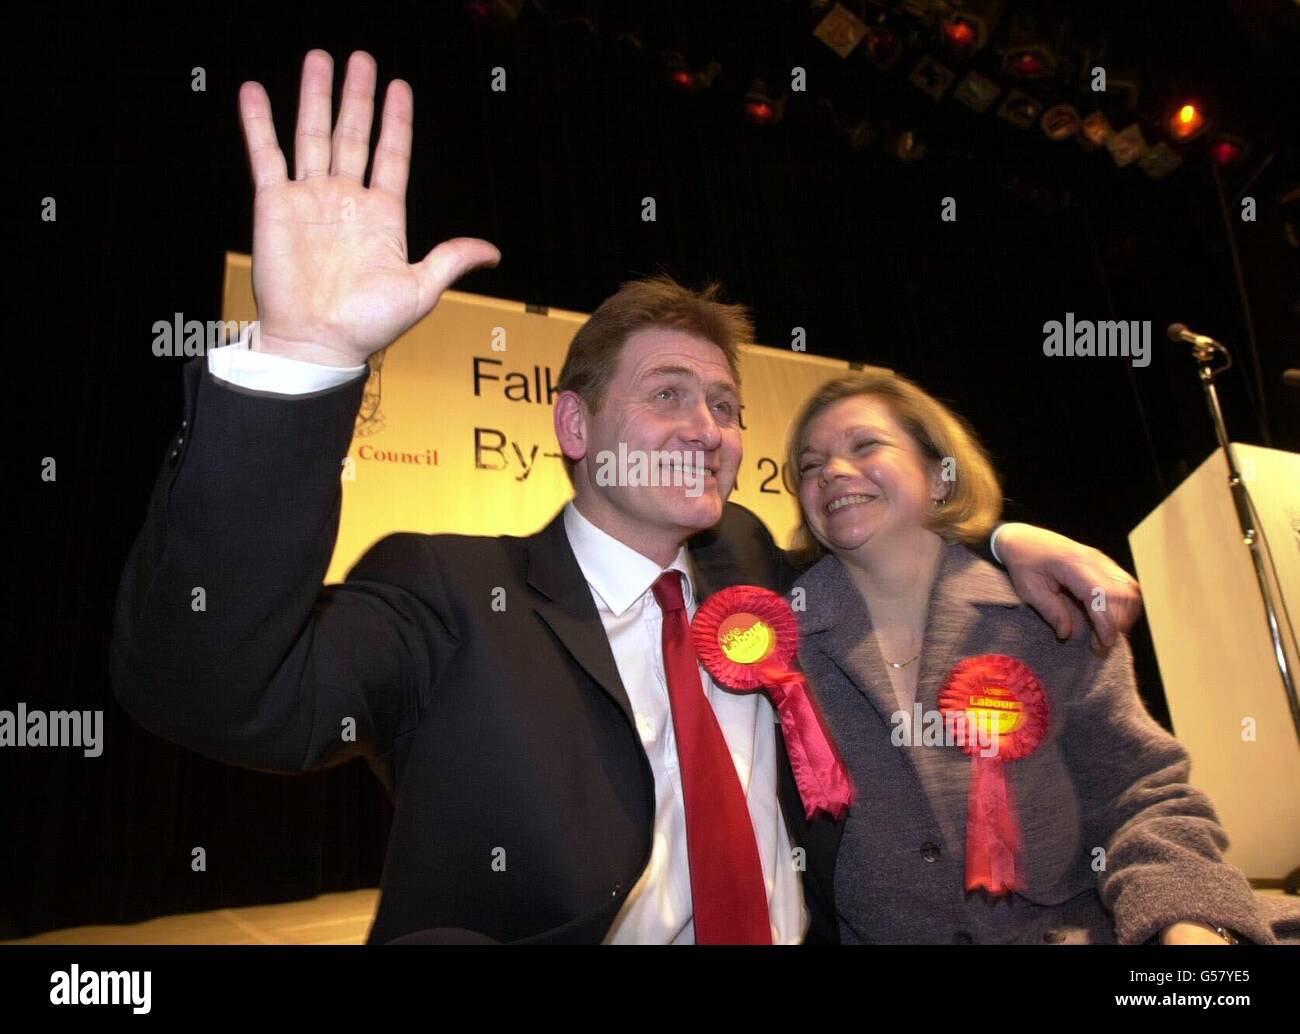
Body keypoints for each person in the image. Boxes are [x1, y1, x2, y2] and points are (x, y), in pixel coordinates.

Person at [110, 49, 1142, 944]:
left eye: (726, 406)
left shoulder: (752, 566)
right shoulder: (447, 592)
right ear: (574, 427)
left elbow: (890, 564)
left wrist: (1000, 539)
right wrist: (302, 362)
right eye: (667, 395)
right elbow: (213, 690)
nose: (708, 429)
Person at [786, 369, 1298, 944]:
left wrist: (1187, 921)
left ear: (940, 475)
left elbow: (1137, 796)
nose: (831, 470)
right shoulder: (780, 649)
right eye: (810, 465)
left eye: (865, 445)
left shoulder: (1047, 613)